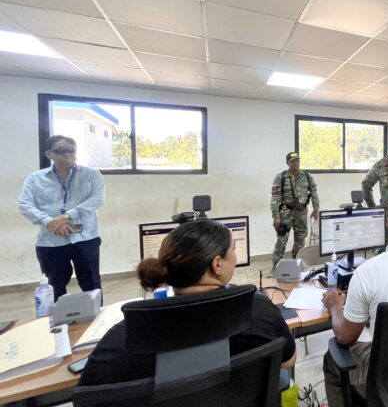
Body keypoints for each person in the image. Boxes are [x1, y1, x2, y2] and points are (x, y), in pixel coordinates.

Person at [78, 219, 296, 386]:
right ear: (217, 264)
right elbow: (287, 360)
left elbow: (90, 394)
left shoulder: (127, 335)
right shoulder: (255, 308)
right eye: (233, 250)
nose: (236, 256)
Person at [322, 196, 388, 407]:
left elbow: (345, 336)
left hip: (386, 377)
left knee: (331, 359)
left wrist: (334, 306)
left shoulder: (368, 272)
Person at [18, 136, 105, 302]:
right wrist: (50, 221)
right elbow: (24, 204)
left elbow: (97, 200)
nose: (67, 154)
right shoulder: (35, 179)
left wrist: (67, 216)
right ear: (49, 154)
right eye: (61, 150)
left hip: (86, 237)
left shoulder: (91, 175)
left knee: (92, 283)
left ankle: (97, 321)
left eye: (71, 150)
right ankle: (59, 324)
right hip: (51, 241)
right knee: (55, 286)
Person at [270, 152, 319, 270]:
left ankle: (296, 266)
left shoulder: (307, 176)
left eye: (297, 160)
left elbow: (314, 193)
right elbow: (275, 198)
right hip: (285, 214)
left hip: (301, 213)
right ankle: (275, 268)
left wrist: (316, 209)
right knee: (282, 240)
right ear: (287, 163)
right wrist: (276, 216)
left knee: (300, 240)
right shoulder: (280, 177)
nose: (296, 163)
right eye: (292, 161)